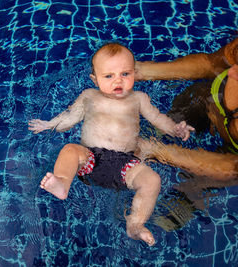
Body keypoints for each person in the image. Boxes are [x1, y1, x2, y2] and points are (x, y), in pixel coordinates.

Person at [28, 43, 194, 246]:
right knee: (70, 150)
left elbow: (157, 118)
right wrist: (50, 125)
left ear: (135, 73)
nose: (118, 80)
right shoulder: (89, 96)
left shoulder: (139, 99)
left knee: (152, 180)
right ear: (95, 79)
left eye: (125, 74)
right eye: (109, 76)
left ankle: (135, 225)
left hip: (125, 165)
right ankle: (62, 182)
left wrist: (175, 129)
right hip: (89, 158)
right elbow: (70, 117)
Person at [135, 37, 238, 180]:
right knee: (198, 97)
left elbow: (231, 169)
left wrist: (156, 150)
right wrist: (140, 71)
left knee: (192, 186)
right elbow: (212, 64)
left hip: (230, 154)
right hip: (210, 98)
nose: (232, 71)